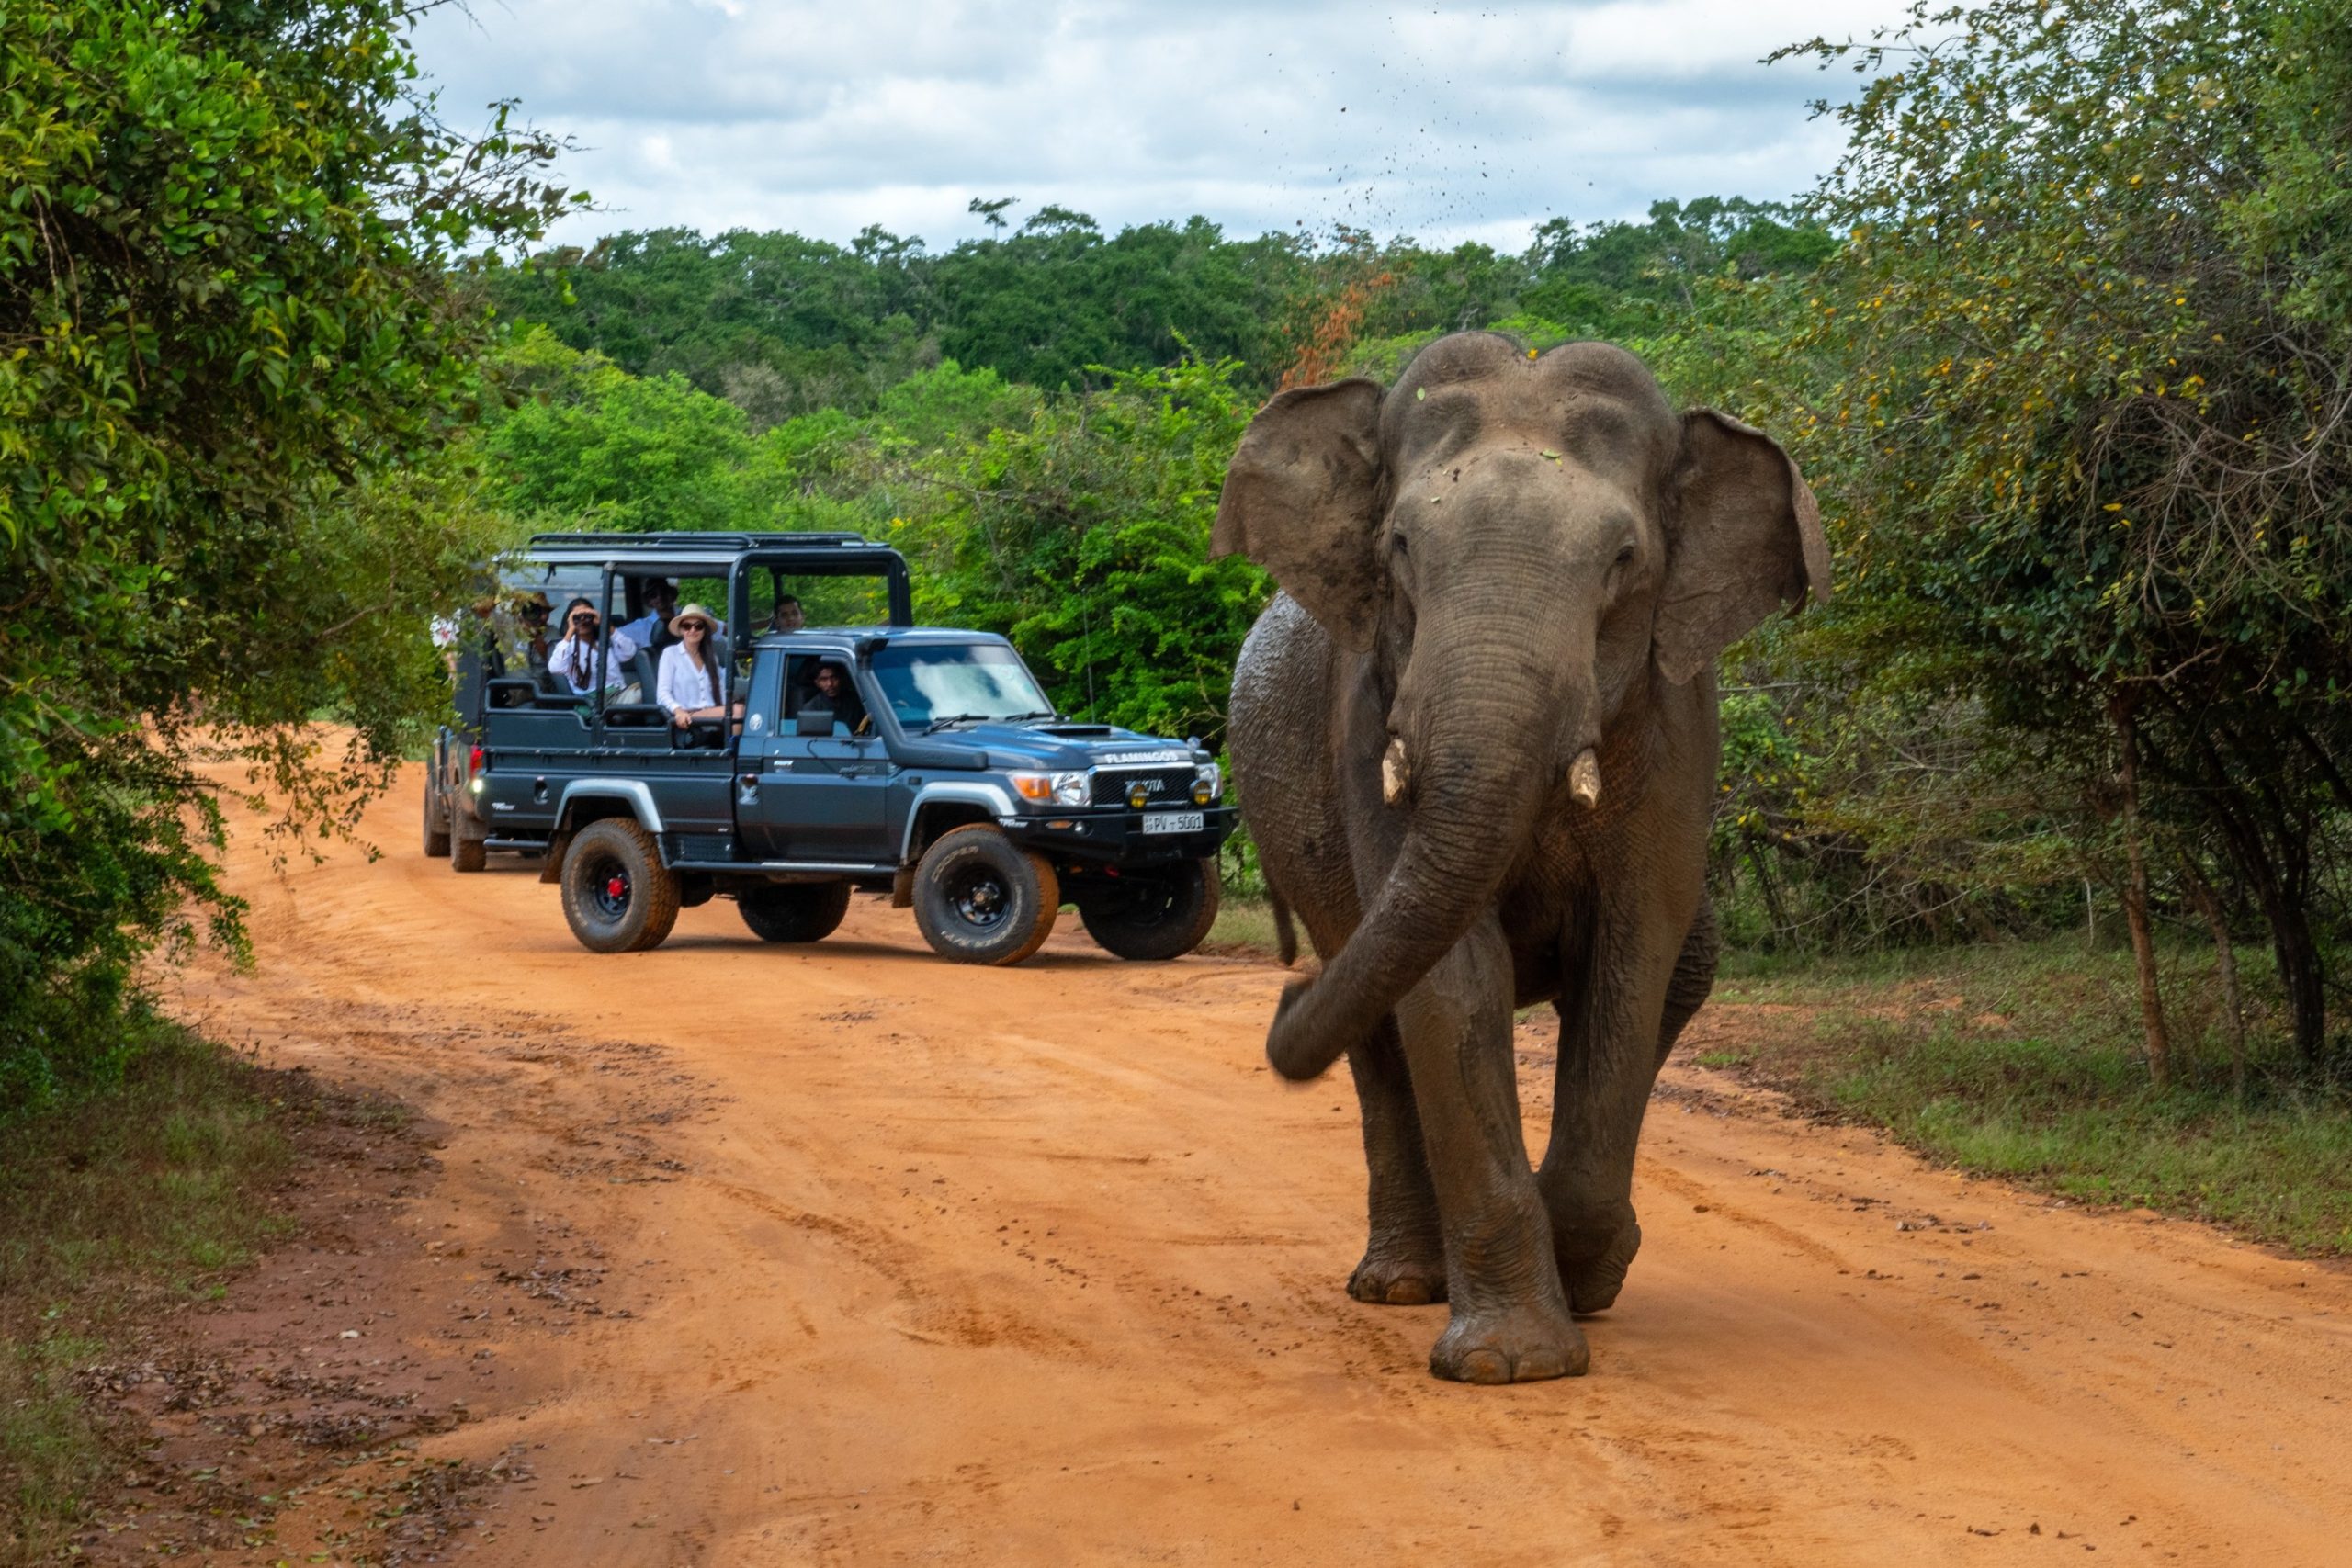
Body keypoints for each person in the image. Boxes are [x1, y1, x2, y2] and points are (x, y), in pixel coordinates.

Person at [656, 604, 738, 728]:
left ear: (704, 630)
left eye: (698, 626)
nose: (693, 630)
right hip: (688, 716)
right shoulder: (670, 654)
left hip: (713, 715)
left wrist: (729, 704)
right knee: (738, 711)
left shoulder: (711, 657)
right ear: (681, 630)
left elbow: (720, 690)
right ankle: (733, 746)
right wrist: (678, 711)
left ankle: (733, 742)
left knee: (744, 709)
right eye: (687, 626)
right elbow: (662, 694)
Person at [546, 598, 638, 696]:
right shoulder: (568, 646)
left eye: (587, 616)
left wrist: (605, 624)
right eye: (577, 617)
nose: (582, 620)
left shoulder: (604, 641)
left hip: (619, 693)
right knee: (638, 695)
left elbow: (629, 652)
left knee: (645, 691)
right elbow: (555, 668)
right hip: (595, 701)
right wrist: (571, 629)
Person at [804, 660, 871, 737]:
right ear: (817, 683)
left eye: (833, 678)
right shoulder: (812, 708)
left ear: (840, 679)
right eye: (824, 679)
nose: (830, 684)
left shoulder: (855, 700)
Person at [616, 579, 678, 649]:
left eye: (663, 592)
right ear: (648, 601)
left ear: (671, 594)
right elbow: (614, 636)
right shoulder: (641, 627)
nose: (659, 597)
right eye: (653, 595)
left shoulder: (685, 619)